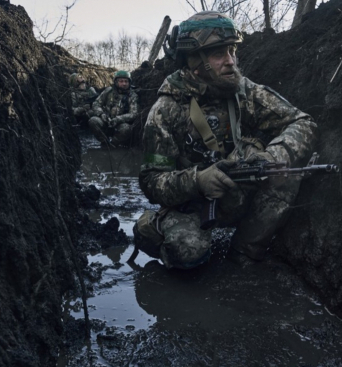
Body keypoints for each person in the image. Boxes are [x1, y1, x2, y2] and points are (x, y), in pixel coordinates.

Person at [132, 11, 318, 270]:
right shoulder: (166, 109)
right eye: (219, 53)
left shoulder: (245, 91)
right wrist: (198, 180)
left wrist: (271, 158)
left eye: (232, 51)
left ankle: (244, 254)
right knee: (186, 252)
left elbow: (303, 122)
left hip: (238, 192)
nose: (231, 62)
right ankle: (152, 230)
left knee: (285, 173)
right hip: (192, 206)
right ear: (194, 61)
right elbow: (151, 182)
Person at [88, 70, 140, 146]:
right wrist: (101, 114)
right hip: (106, 121)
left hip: (120, 125)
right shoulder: (108, 91)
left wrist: (118, 119)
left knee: (126, 128)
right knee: (93, 121)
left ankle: (113, 144)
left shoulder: (132, 96)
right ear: (116, 82)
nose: (124, 84)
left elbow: (134, 113)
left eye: (126, 81)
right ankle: (104, 143)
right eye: (121, 81)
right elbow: (96, 103)